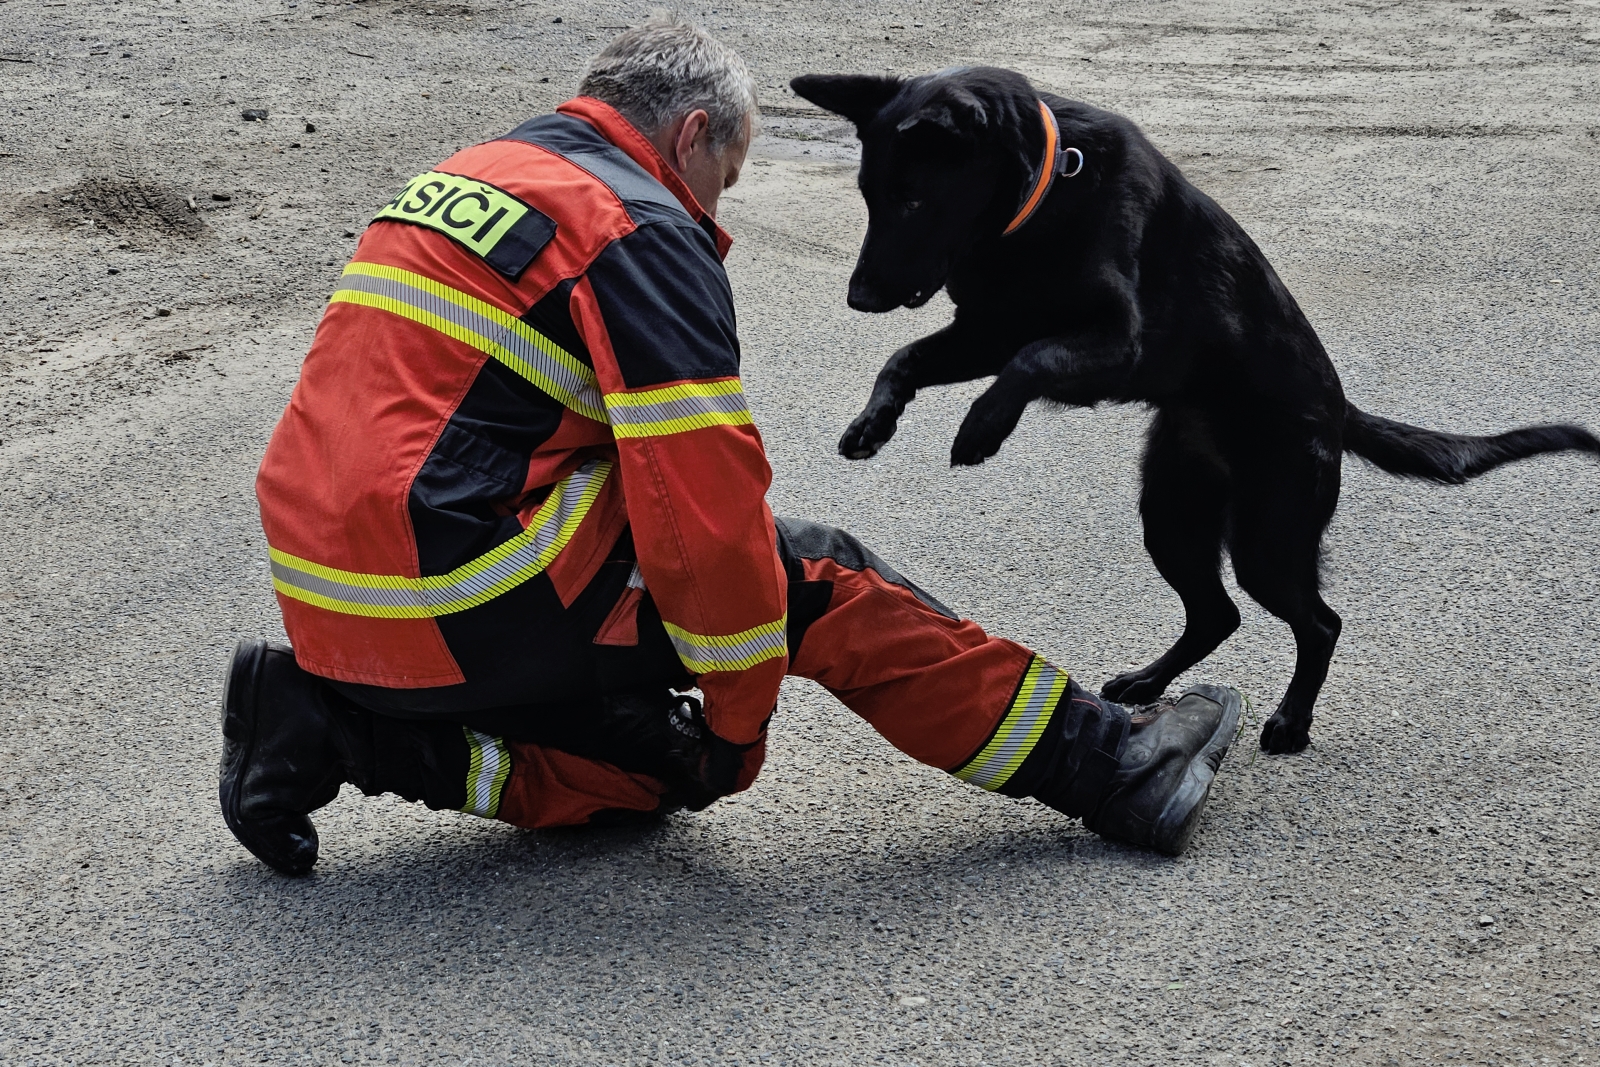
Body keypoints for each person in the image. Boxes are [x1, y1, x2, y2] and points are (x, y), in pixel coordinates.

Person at [221, 15, 1243, 876]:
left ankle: (335, 726)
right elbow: (701, 519)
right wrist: (739, 716)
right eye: (727, 176)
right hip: (467, 589)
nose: (715, 208)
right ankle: (1112, 764)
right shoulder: (633, 224)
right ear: (692, 134)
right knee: (815, 578)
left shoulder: (461, 176)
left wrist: (697, 743)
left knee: (658, 766)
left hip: (332, 600)